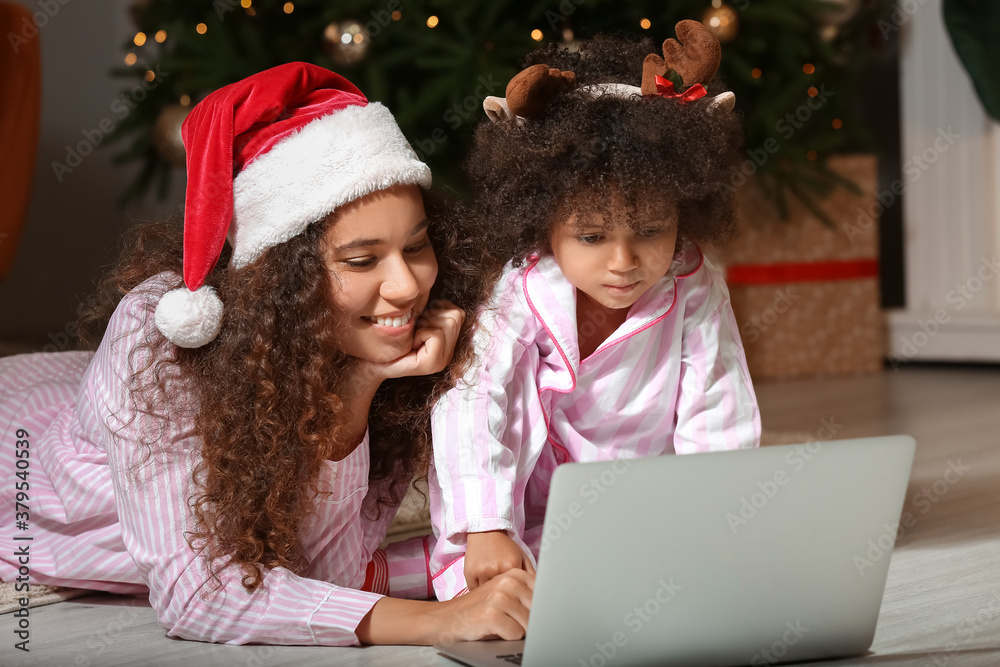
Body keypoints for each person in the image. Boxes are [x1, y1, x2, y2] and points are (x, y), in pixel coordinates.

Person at [0, 62, 532, 645]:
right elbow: (200, 596)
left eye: (417, 246)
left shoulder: (407, 336)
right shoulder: (162, 342)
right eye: (361, 260)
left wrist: (362, 384)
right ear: (281, 277)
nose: (407, 286)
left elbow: (325, 575)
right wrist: (442, 621)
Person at [427, 23, 763, 601]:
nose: (624, 262)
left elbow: (717, 405)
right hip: (528, 507)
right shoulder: (521, 289)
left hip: (645, 505)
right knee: (501, 594)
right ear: (543, 225)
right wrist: (485, 525)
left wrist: (720, 520)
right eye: (590, 236)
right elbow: (474, 399)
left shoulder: (693, 282)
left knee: (676, 586)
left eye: (652, 231)